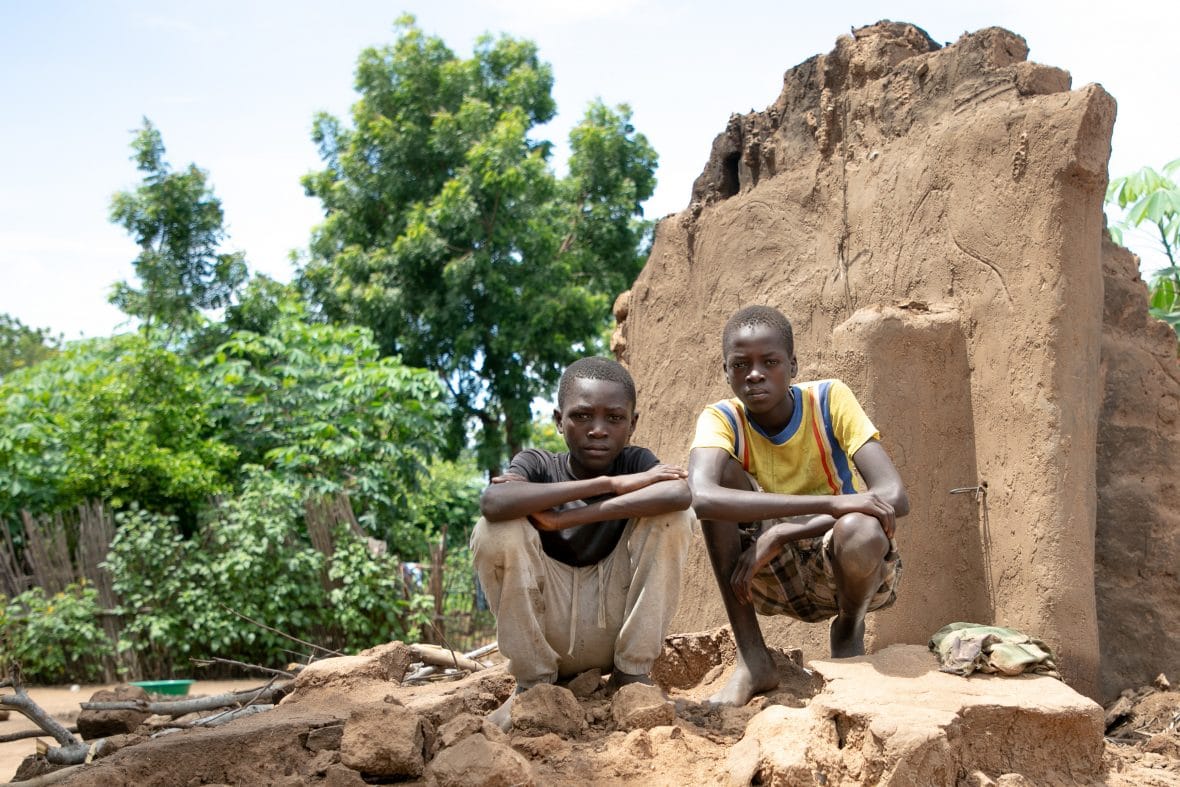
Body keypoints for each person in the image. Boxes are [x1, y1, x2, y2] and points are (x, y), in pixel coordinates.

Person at [688, 305, 909, 706]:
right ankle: (752, 657)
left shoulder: (828, 400)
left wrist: (786, 528)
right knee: (722, 479)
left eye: (769, 362)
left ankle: (849, 628)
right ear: (726, 371)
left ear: (792, 365)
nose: (755, 374)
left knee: (861, 528)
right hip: (764, 569)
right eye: (740, 365)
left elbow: (894, 496)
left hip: (840, 564)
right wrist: (823, 506)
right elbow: (701, 496)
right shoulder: (723, 419)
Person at [473, 356, 693, 728]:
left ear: (632, 424)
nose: (598, 430)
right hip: (547, 631)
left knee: (674, 518)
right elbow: (493, 503)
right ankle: (533, 687)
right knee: (495, 530)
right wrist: (608, 484)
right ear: (559, 420)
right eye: (582, 416)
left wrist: (565, 517)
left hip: (612, 629)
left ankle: (633, 676)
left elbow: (678, 496)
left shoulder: (636, 461)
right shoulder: (537, 464)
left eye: (614, 418)